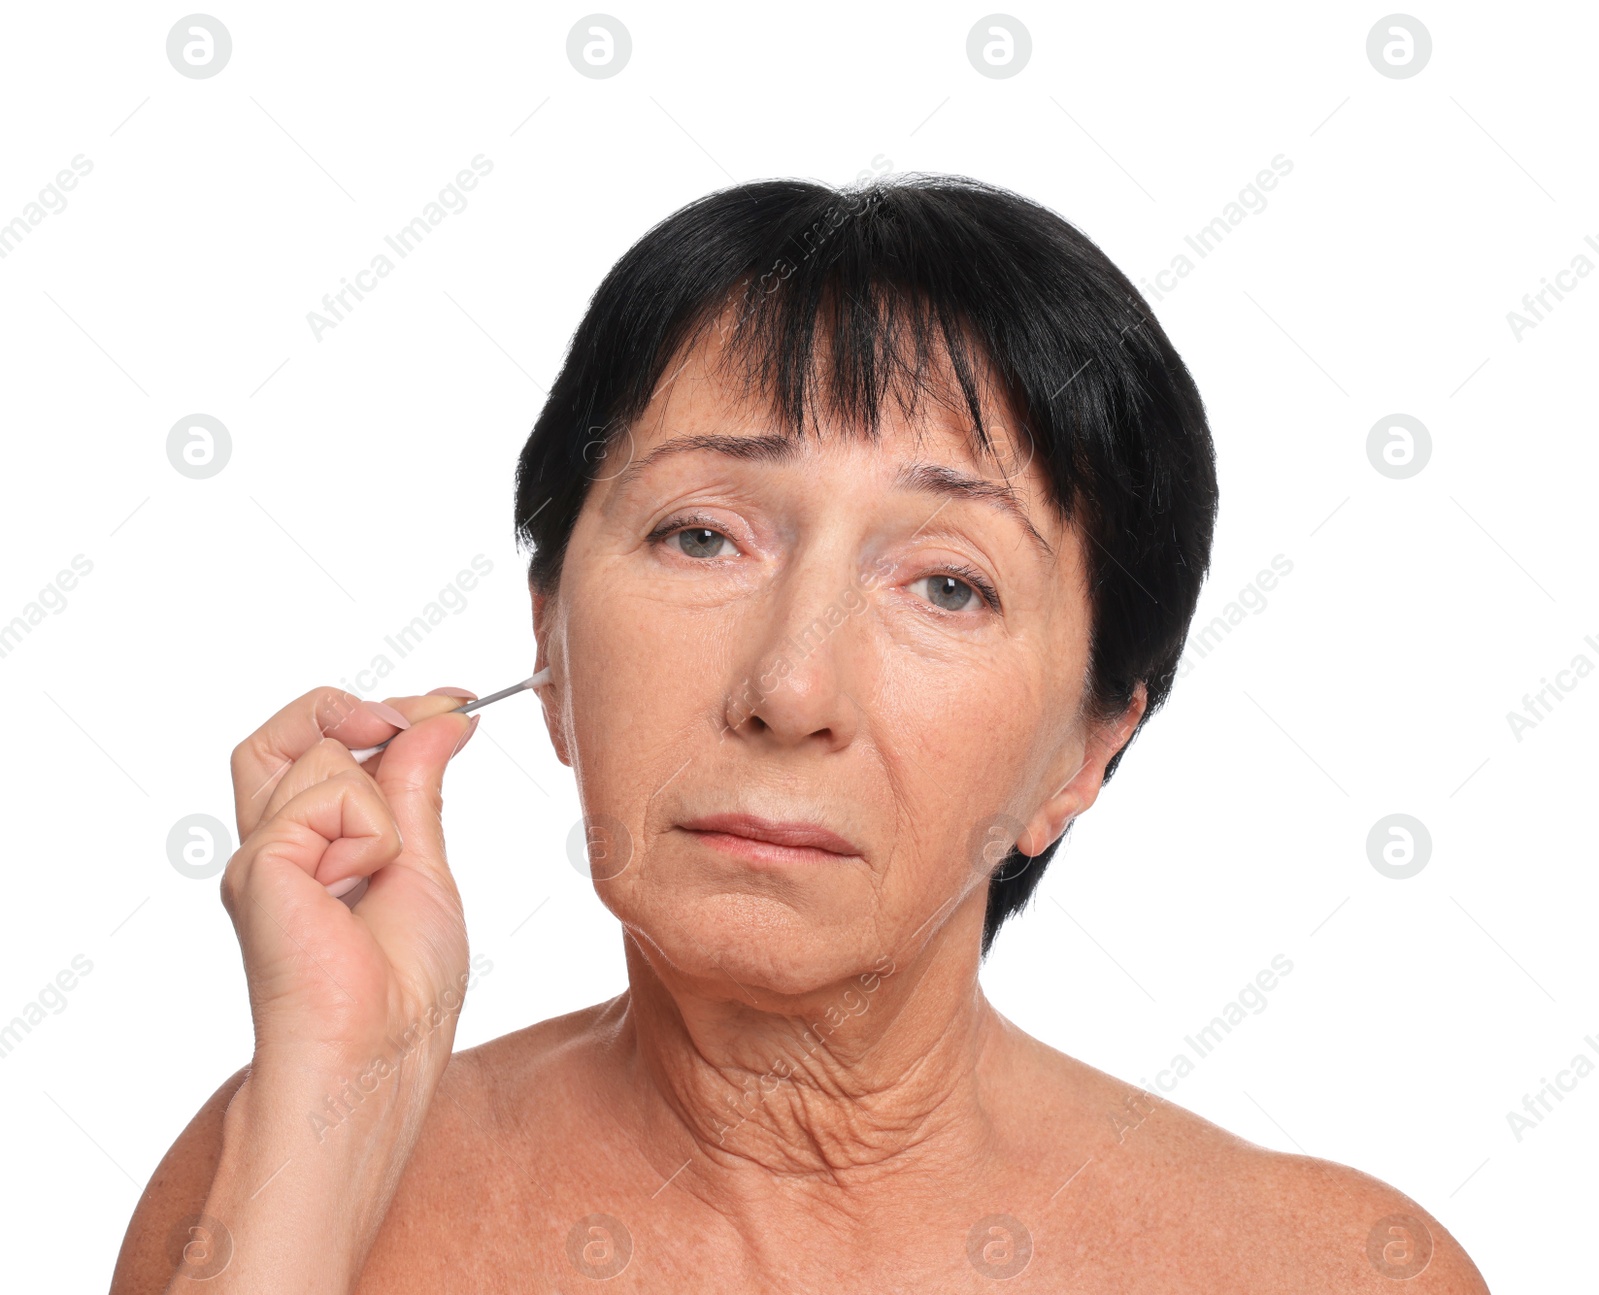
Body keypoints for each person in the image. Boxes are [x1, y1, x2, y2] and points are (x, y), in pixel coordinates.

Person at [112, 175, 1488, 1292]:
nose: (789, 686)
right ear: (551, 645)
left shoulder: (1328, 1271)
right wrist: (333, 1099)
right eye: (702, 535)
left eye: (948, 584)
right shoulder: (273, 1181)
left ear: (1089, 748)